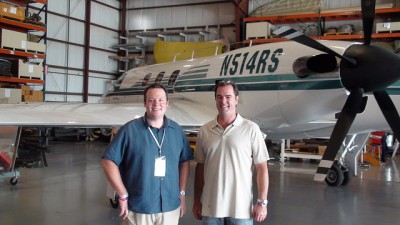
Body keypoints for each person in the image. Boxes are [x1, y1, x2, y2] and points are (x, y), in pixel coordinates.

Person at [102, 83, 192, 225]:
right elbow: (108, 161)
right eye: (151, 100)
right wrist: (122, 194)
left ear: (167, 103)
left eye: (161, 100)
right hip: (139, 208)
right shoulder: (129, 130)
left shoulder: (177, 131)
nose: (157, 104)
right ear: (145, 103)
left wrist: (182, 193)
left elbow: (185, 161)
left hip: (170, 207)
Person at [192, 80, 270, 225]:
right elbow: (200, 168)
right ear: (215, 99)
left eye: (228, 96)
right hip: (211, 210)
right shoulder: (205, 130)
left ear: (236, 99)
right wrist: (197, 200)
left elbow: (262, 167)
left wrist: (262, 202)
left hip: (241, 210)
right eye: (219, 97)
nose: (223, 101)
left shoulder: (251, 129)